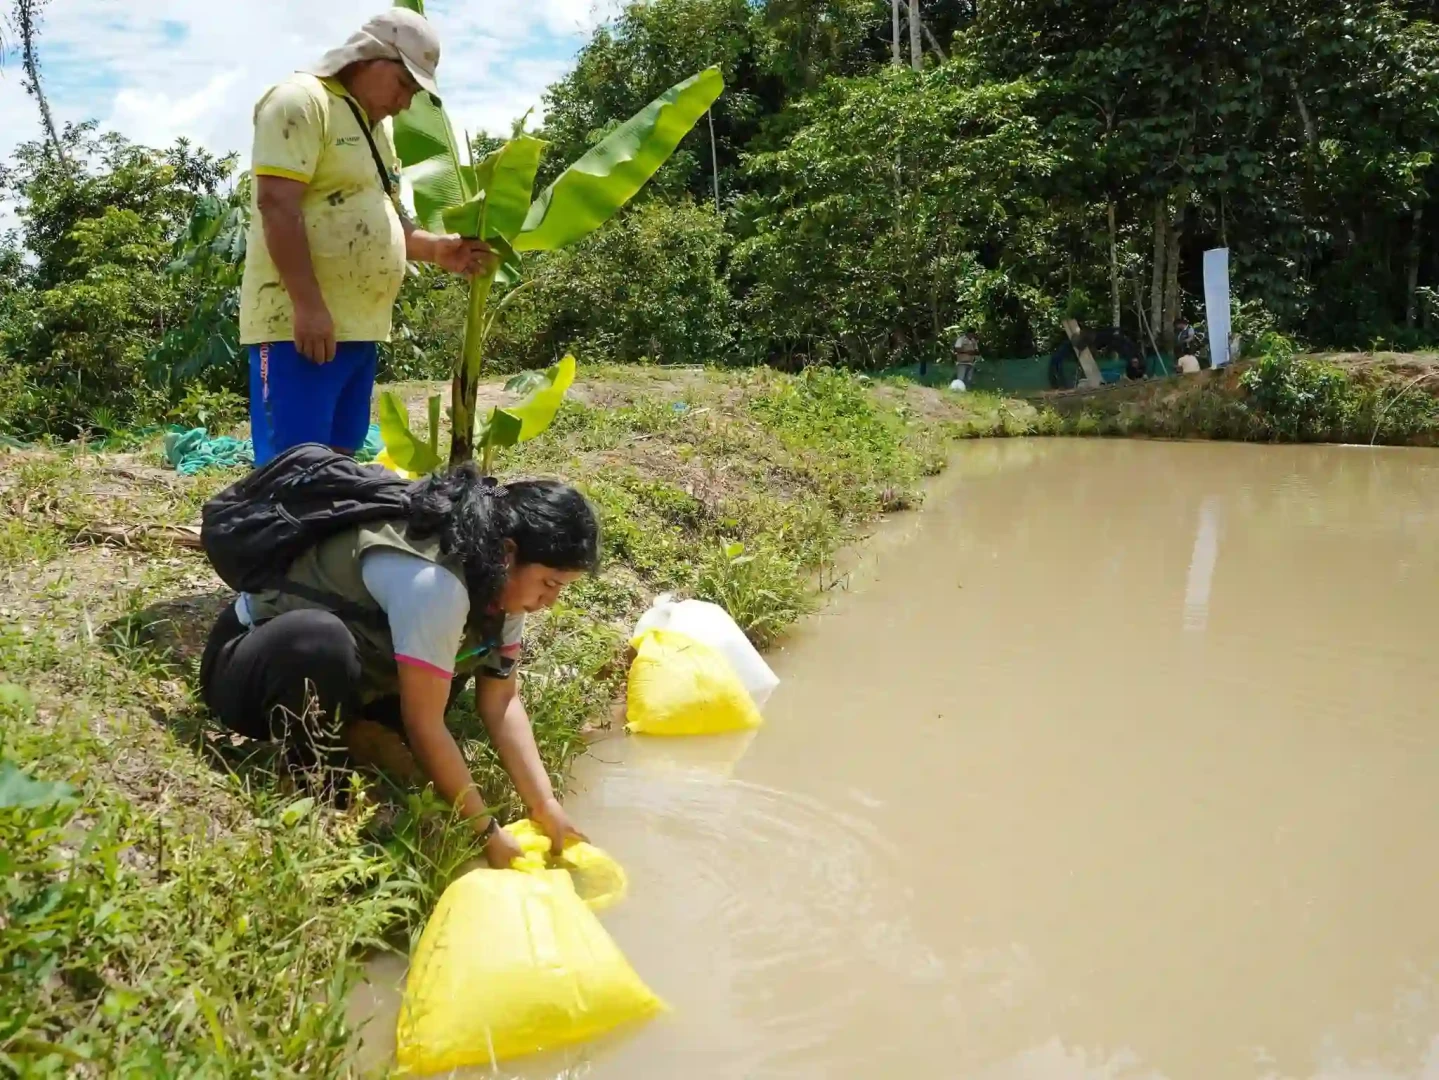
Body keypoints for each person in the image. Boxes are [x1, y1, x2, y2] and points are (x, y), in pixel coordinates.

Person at [199, 464, 601, 869]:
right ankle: (320, 790)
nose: (551, 600)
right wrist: (487, 833)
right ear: (509, 553)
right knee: (321, 640)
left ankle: (355, 733)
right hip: (249, 671)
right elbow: (425, 724)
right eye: (549, 583)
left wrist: (544, 804)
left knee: (453, 659)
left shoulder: (500, 583)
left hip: (357, 677)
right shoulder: (435, 583)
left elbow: (501, 700)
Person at [239, 9, 494, 465]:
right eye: (404, 84)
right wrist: (308, 306)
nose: (405, 103)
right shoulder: (301, 102)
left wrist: (439, 250)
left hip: (358, 328)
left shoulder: (374, 130)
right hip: (296, 327)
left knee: (339, 461)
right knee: (292, 468)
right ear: (369, 58)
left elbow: (385, 216)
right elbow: (277, 205)